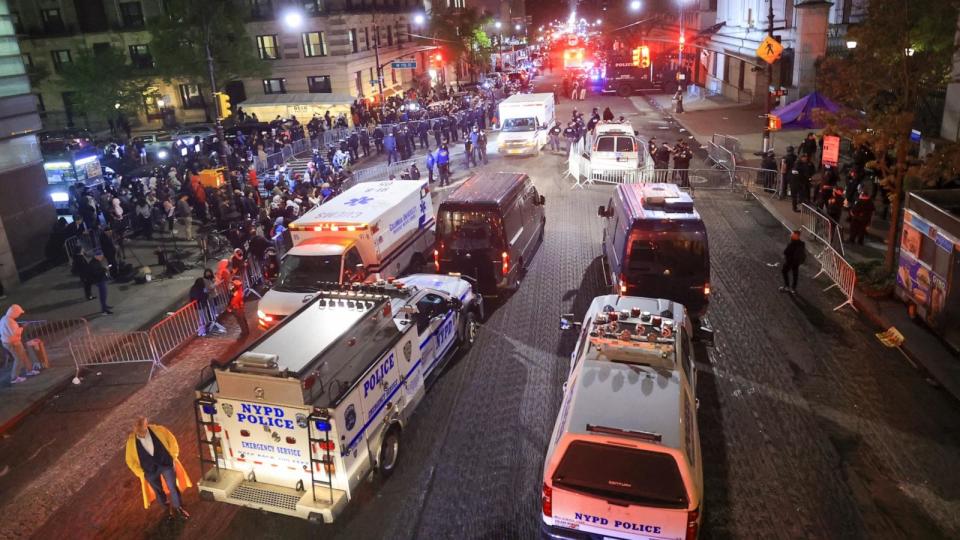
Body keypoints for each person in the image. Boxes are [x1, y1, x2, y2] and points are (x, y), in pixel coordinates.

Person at [125, 416, 192, 519]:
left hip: (166, 464)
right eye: (136, 428)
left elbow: (172, 440)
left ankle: (178, 508)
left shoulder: (159, 430)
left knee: (173, 487)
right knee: (158, 491)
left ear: (146, 424)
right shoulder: (131, 442)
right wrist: (141, 473)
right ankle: (166, 509)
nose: (138, 431)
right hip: (149, 471)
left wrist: (173, 456)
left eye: (140, 428)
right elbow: (130, 461)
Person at [2, 304, 40, 384]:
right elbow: (15, 333)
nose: (19, 315)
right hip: (12, 342)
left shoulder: (4, 318)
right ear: (14, 312)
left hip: (8, 341)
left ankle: (29, 370)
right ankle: (14, 377)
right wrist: (23, 327)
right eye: (18, 313)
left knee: (23, 355)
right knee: (18, 358)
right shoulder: (10, 321)